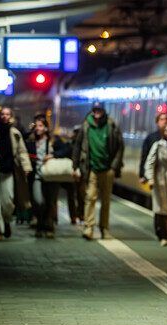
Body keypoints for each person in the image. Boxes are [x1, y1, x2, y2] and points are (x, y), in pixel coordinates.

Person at [72, 101, 124, 240]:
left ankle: (104, 229)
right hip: (92, 168)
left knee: (106, 201)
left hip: (107, 169)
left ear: (103, 111)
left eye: (99, 110)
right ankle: (89, 227)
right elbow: (77, 146)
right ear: (92, 111)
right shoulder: (86, 125)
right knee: (90, 197)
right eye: (95, 110)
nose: (97, 112)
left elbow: (119, 147)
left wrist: (114, 167)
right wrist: (75, 166)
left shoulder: (111, 125)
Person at [0, 107, 32, 241]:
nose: (4, 116)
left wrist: (26, 166)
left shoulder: (15, 132)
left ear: (11, 116)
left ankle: (6, 221)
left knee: (7, 202)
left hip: (8, 170)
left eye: (7, 114)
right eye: (2, 114)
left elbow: (22, 151)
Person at [26, 116, 60, 238]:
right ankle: (40, 224)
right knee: (39, 201)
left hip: (51, 175)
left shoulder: (53, 141)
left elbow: (67, 150)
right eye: (36, 126)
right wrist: (30, 131)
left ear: (46, 128)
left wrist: (53, 155)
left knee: (50, 202)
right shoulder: (31, 141)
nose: (37, 129)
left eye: (40, 126)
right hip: (37, 176)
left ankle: (49, 226)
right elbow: (21, 145)